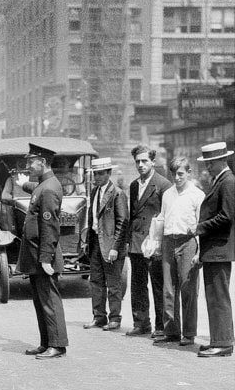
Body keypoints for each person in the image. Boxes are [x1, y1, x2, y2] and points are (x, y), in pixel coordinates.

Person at [16, 143, 69, 359]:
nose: (28, 166)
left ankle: (57, 345)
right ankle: (46, 342)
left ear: (43, 162)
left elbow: (50, 227)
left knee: (49, 301)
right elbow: (34, 188)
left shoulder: (48, 189)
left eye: (31, 162)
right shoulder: (43, 185)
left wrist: (46, 259)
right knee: (40, 301)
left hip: (43, 256)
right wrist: (24, 184)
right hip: (36, 255)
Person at [149, 157, 204, 347]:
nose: (177, 178)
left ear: (189, 173)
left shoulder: (197, 195)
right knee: (168, 289)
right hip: (168, 241)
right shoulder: (168, 194)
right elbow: (162, 219)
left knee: (188, 288)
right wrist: (156, 243)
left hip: (187, 242)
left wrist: (199, 252)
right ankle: (171, 330)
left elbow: (201, 226)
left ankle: (189, 333)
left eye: (181, 173)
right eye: (174, 174)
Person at [191, 142, 234, 357]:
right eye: (206, 163)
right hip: (215, 249)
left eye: (210, 163)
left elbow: (226, 217)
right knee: (214, 297)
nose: (207, 167)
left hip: (219, 249)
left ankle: (224, 343)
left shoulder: (227, 182)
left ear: (221, 160)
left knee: (219, 297)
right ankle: (218, 339)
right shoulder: (221, 180)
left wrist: (199, 227)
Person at [125, 145, 172, 338]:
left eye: (145, 161)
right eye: (137, 161)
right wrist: (129, 241)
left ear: (153, 161)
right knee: (138, 285)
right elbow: (133, 216)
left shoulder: (163, 185)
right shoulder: (134, 185)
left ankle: (161, 327)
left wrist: (160, 244)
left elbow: (166, 216)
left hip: (154, 243)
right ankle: (141, 323)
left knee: (158, 285)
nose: (141, 165)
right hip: (137, 243)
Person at [83, 158, 128, 332]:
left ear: (109, 174)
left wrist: (115, 247)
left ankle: (115, 318)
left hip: (110, 246)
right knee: (96, 281)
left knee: (113, 283)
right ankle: (99, 316)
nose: (97, 176)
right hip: (95, 243)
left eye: (101, 173)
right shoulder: (95, 192)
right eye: (95, 173)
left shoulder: (116, 193)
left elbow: (122, 222)